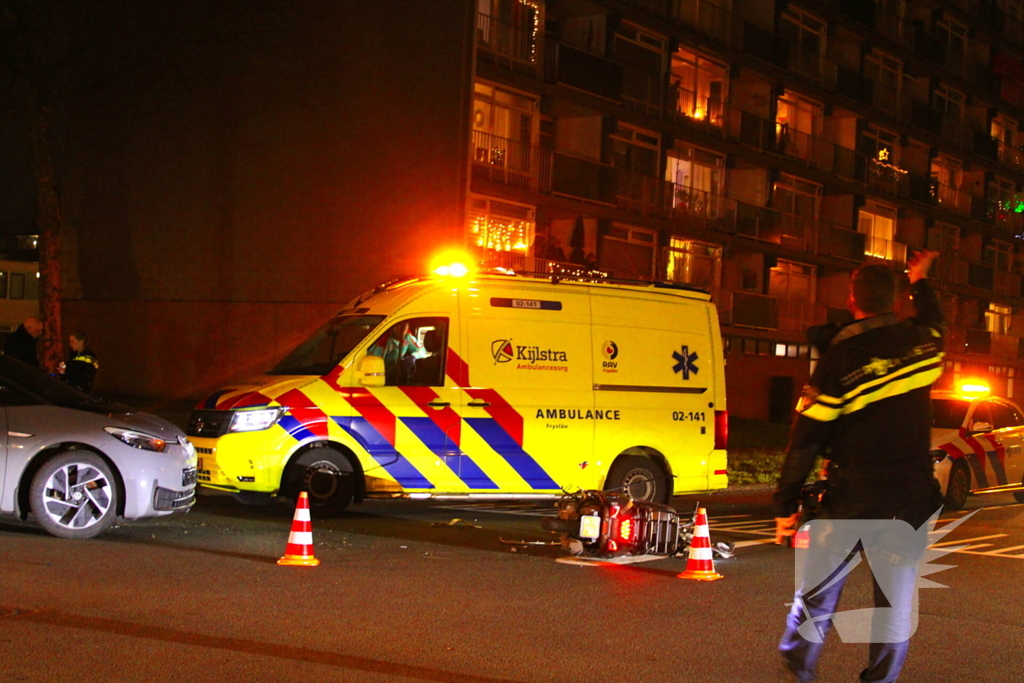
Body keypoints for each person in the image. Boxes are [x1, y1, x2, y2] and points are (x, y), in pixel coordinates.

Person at [773, 250, 945, 683]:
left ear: (852, 300)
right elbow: (936, 320)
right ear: (895, 300)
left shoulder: (840, 359)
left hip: (851, 499)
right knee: (894, 606)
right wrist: (920, 279)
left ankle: (799, 667)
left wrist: (785, 503)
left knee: (817, 594)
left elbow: (806, 439)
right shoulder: (921, 343)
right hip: (908, 500)